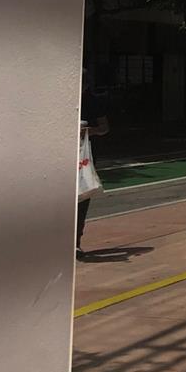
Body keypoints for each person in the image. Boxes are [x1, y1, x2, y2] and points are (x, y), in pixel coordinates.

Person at [77, 71, 109, 258]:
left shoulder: (93, 102)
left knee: (83, 195)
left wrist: (89, 131)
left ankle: (76, 241)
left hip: (85, 156)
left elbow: (104, 128)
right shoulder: (64, 100)